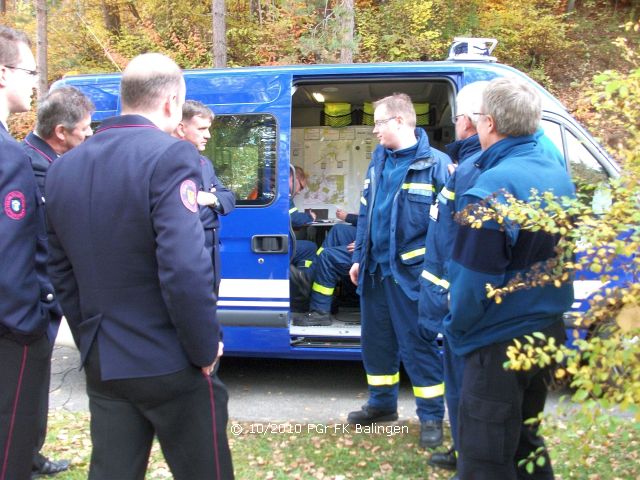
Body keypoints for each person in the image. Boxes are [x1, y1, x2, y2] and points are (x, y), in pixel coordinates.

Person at [45, 53, 234, 480]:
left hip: (105, 360)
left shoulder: (63, 167)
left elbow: (60, 269)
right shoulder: (170, 158)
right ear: (171, 103)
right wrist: (204, 349)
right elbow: (184, 267)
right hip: (170, 360)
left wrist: (90, 338)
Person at [445, 77, 574, 479]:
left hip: (498, 342)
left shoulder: (489, 190)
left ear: (488, 124)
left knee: (484, 459)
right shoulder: (556, 173)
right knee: (524, 442)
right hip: (546, 332)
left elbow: (471, 286)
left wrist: (457, 331)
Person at [347, 93, 451, 448]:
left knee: (417, 346)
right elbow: (366, 213)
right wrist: (360, 256)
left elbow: (448, 230)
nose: (374, 130)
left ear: (400, 122)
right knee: (376, 345)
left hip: (411, 276)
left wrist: (436, 275)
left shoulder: (437, 165)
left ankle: (432, 417)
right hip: (375, 272)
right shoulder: (378, 162)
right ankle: (381, 406)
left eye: (378, 122)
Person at [22, 85, 94, 478]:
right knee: (25, 389)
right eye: (84, 129)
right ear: (61, 132)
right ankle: (24, 458)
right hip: (31, 299)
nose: (89, 136)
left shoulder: (48, 162)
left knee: (34, 386)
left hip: (43, 297)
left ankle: (31, 454)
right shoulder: (31, 165)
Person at [0, 26, 55, 480]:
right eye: (30, 71)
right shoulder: (9, 156)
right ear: (3, 74)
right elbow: (10, 255)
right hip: (11, 337)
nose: (35, 82)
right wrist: (29, 328)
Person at [173, 99, 235, 295]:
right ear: (181, 128)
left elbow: (229, 198)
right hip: (187, 261)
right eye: (201, 129)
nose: (208, 135)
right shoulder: (169, 162)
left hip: (210, 259)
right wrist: (205, 202)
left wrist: (210, 199)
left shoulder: (203, 162)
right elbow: (185, 214)